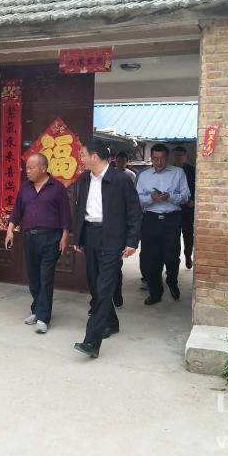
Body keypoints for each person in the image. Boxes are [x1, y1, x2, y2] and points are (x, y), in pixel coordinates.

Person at [72, 139, 142, 359]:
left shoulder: (120, 180)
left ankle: (92, 341)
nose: (81, 159)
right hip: (90, 235)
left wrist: (132, 242)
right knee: (94, 283)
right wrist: (78, 236)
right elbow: (79, 209)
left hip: (112, 237)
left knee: (103, 288)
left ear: (94, 156)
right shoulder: (84, 179)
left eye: (83, 155)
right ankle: (111, 322)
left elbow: (134, 212)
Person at [5, 153, 71, 334]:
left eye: (31, 167)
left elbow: (65, 214)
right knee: (33, 277)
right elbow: (17, 211)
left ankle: (43, 317)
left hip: (51, 238)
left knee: (45, 276)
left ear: (43, 168)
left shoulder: (57, 188)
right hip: (30, 238)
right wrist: (10, 230)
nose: (27, 171)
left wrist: (65, 236)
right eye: (27, 167)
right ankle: (37, 309)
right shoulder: (25, 188)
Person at [136, 144, 190, 305]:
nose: (159, 162)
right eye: (155, 159)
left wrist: (170, 197)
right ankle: (155, 292)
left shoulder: (178, 173)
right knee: (151, 258)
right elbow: (137, 199)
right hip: (150, 219)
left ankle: (172, 281)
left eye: (162, 159)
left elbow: (186, 196)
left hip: (171, 220)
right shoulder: (144, 176)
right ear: (151, 158)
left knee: (172, 256)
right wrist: (151, 198)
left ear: (168, 157)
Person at [112, 151, 137, 307]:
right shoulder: (109, 175)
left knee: (116, 264)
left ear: (127, 161)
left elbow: (133, 200)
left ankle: (117, 294)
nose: (120, 163)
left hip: (121, 223)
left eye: (123, 161)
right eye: (118, 160)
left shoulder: (130, 176)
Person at [172, 146, 196, 269]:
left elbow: (197, 187)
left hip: (188, 207)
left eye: (180, 155)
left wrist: (193, 200)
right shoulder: (169, 170)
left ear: (185, 156)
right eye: (176, 155)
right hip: (173, 207)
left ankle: (188, 255)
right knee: (174, 236)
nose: (178, 157)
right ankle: (174, 261)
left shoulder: (192, 170)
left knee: (188, 233)